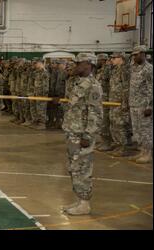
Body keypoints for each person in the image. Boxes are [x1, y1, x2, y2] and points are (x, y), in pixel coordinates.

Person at [62, 53, 103, 215]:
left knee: (82, 168)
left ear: (88, 65)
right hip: (73, 132)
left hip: (82, 135)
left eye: (79, 64)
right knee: (74, 168)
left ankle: (85, 203)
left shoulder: (93, 85)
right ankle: (80, 200)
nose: (76, 66)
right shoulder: (79, 83)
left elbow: (96, 113)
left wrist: (88, 135)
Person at [129, 45, 153, 164]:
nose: (134, 56)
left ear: (143, 54)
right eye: (133, 55)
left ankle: (148, 154)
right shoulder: (133, 67)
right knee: (137, 130)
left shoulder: (149, 69)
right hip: (134, 103)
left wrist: (150, 106)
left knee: (145, 130)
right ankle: (142, 151)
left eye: (136, 54)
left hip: (144, 106)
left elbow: (151, 88)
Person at [108, 52, 133, 157]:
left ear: (121, 58)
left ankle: (124, 148)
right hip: (113, 102)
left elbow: (126, 88)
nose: (112, 60)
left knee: (121, 125)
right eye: (112, 58)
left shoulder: (125, 70)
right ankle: (118, 145)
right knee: (114, 125)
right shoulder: (115, 70)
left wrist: (124, 103)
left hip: (120, 103)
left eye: (114, 58)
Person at [95, 53, 113, 152]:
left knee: (105, 121)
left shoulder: (108, 70)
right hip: (100, 98)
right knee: (101, 121)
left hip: (106, 99)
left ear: (104, 61)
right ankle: (103, 141)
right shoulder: (100, 70)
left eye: (99, 60)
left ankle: (107, 142)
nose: (98, 62)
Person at [31, 58, 50, 130]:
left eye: (36, 63)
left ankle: (42, 124)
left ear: (41, 63)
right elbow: (34, 83)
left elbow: (46, 86)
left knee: (41, 109)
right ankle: (37, 122)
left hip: (42, 94)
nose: (35, 65)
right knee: (37, 109)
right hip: (36, 93)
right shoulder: (36, 72)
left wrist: (43, 95)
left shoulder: (44, 73)